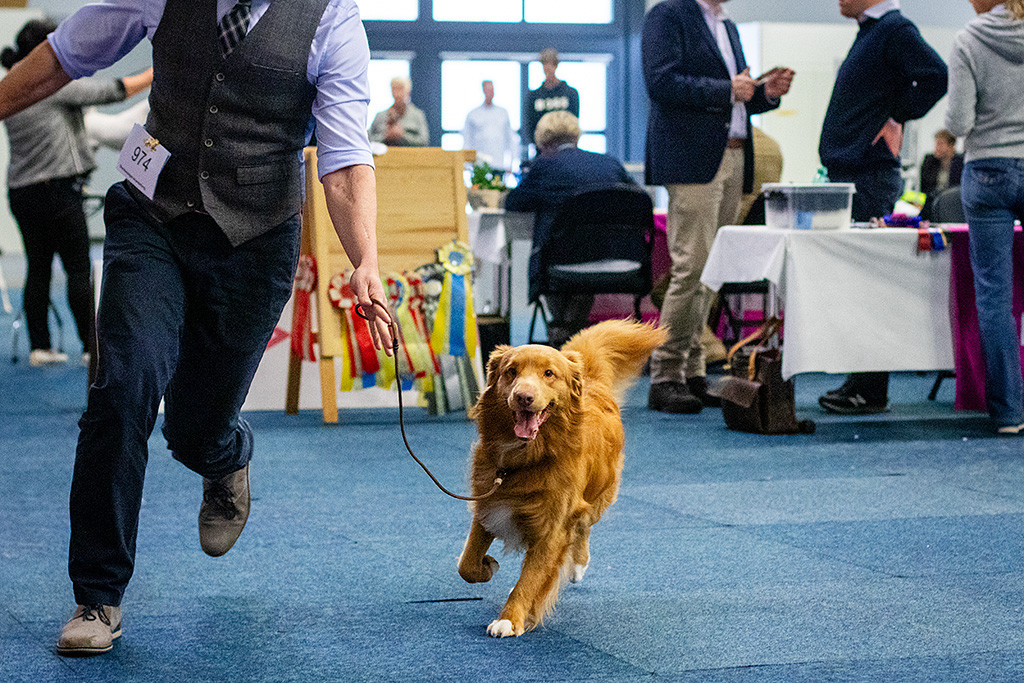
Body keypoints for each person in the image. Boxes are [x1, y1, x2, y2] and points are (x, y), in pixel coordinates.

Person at [0, 0, 394, 657]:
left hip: (255, 238)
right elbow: (65, 55)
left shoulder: (331, 20)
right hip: (151, 214)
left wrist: (367, 260)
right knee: (122, 387)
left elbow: (346, 160)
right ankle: (97, 593)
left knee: (193, 426)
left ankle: (225, 454)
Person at [641, 0, 794, 414]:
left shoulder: (726, 24)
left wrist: (765, 93)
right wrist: (727, 89)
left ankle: (692, 371)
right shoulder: (668, 15)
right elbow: (660, 81)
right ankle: (665, 374)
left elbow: (740, 97)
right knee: (691, 266)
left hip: (732, 154)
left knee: (711, 271)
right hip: (692, 158)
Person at [816, 0, 947, 415]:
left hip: (868, 174)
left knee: (866, 281)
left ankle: (870, 388)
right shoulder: (874, 32)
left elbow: (935, 76)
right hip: (857, 171)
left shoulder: (893, 28)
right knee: (857, 282)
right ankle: (863, 382)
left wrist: (897, 116)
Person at [1, 18, 152, 368]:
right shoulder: (49, 84)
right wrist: (156, 74)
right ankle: (90, 347)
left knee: (37, 270)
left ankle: (40, 347)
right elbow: (112, 91)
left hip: (21, 192)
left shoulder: (12, 84)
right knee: (78, 270)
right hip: (57, 192)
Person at [946, 0, 1024, 433]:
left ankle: (1010, 412)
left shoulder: (968, 39)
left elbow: (957, 122)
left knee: (995, 296)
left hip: (988, 168)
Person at [504, 111, 635, 347]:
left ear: (543, 143)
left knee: (559, 258)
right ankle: (571, 331)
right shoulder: (610, 163)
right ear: (577, 136)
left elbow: (513, 203)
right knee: (583, 256)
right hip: (614, 259)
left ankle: (564, 331)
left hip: (559, 263)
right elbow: (638, 200)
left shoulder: (544, 167)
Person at [522, 48, 579, 160]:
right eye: (545, 64)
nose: (548, 69)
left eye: (551, 64)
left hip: (567, 149)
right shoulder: (534, 96)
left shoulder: (570, 93)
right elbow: (529, 124)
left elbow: (574, 120)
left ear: (556, 66)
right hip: (542, 150)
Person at [462, 79, 513, 171]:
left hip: (499, 163)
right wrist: (466, 164)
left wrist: (511, 163)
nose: (490, 93)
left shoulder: (503, 113)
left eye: (492, 90)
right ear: (483, 90)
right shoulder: (473, 114)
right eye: (488, 89)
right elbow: (467, 139)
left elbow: (510, 139)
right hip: (479, 164)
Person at [368, 76, 429, 147]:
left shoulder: (417, 115)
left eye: (400, 89)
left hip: (410, 156)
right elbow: (368, 140)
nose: (397, 94)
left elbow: (424, 142)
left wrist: (403, 135)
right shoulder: (380, 116)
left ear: (407, 92)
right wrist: (385, 136)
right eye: (394, 89)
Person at [919, 129, 965, 220]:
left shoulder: (960, 163)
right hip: (932, 204)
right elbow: (924, 189)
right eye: (936, 144)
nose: (936, 147)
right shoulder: (930, 161)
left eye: (940, 144)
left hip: (952, 205)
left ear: (951, 146)